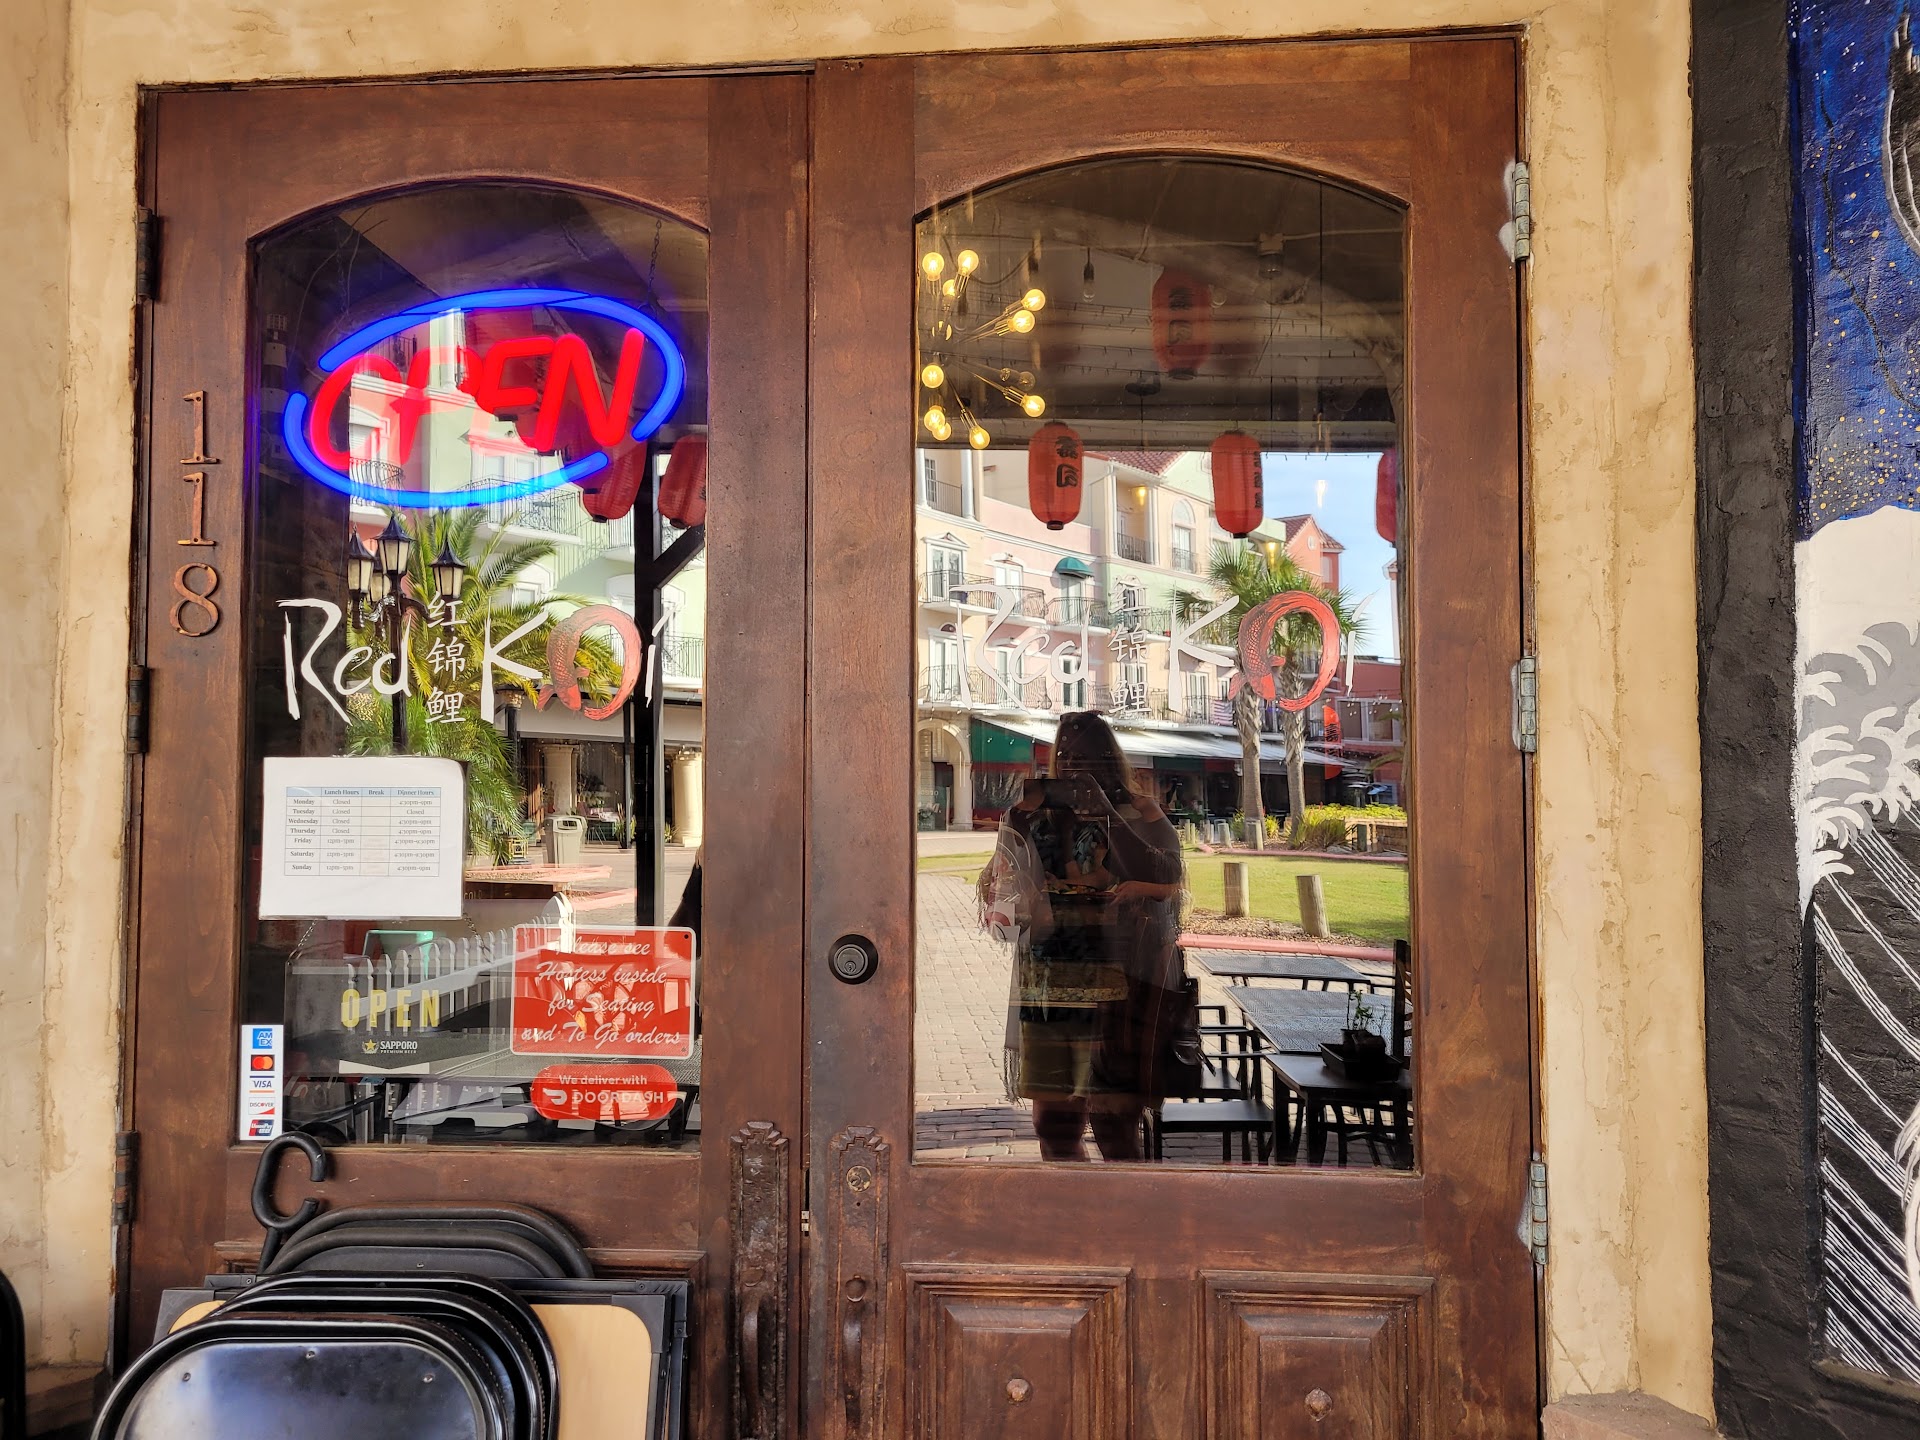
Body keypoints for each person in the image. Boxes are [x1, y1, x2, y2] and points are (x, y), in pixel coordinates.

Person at [979, 711, 1185, 1161]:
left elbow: (1168, 873)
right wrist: (1014, 828)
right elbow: (1000, 890)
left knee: (1115, 1126)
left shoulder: (1139, 809)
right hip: (1048, 984)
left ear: (1109, 758)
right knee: (1053, 1126)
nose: (1073, 765)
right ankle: (1073, 1204)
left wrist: (1106, 811)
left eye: (1086, 755)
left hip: (1119, 990)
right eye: (1066, 755)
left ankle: (1121, 1208)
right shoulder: (1038, 810)